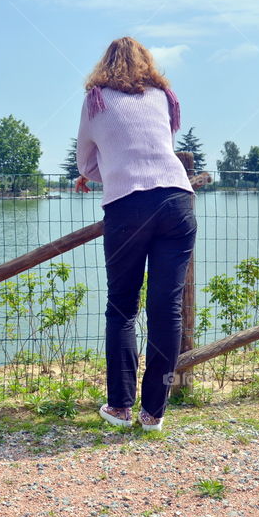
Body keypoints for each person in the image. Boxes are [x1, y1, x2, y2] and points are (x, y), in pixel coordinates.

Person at [75, 36, 197, 431]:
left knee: (123, 308)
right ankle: (153, 414)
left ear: (104, 63)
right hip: (177, 202)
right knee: (167, 310)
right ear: (147, 63)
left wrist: (101, 174)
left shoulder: (96, 99)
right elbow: (159, 146)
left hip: (128, 207)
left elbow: (87, 161)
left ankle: (120, 407)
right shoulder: (164, 95)